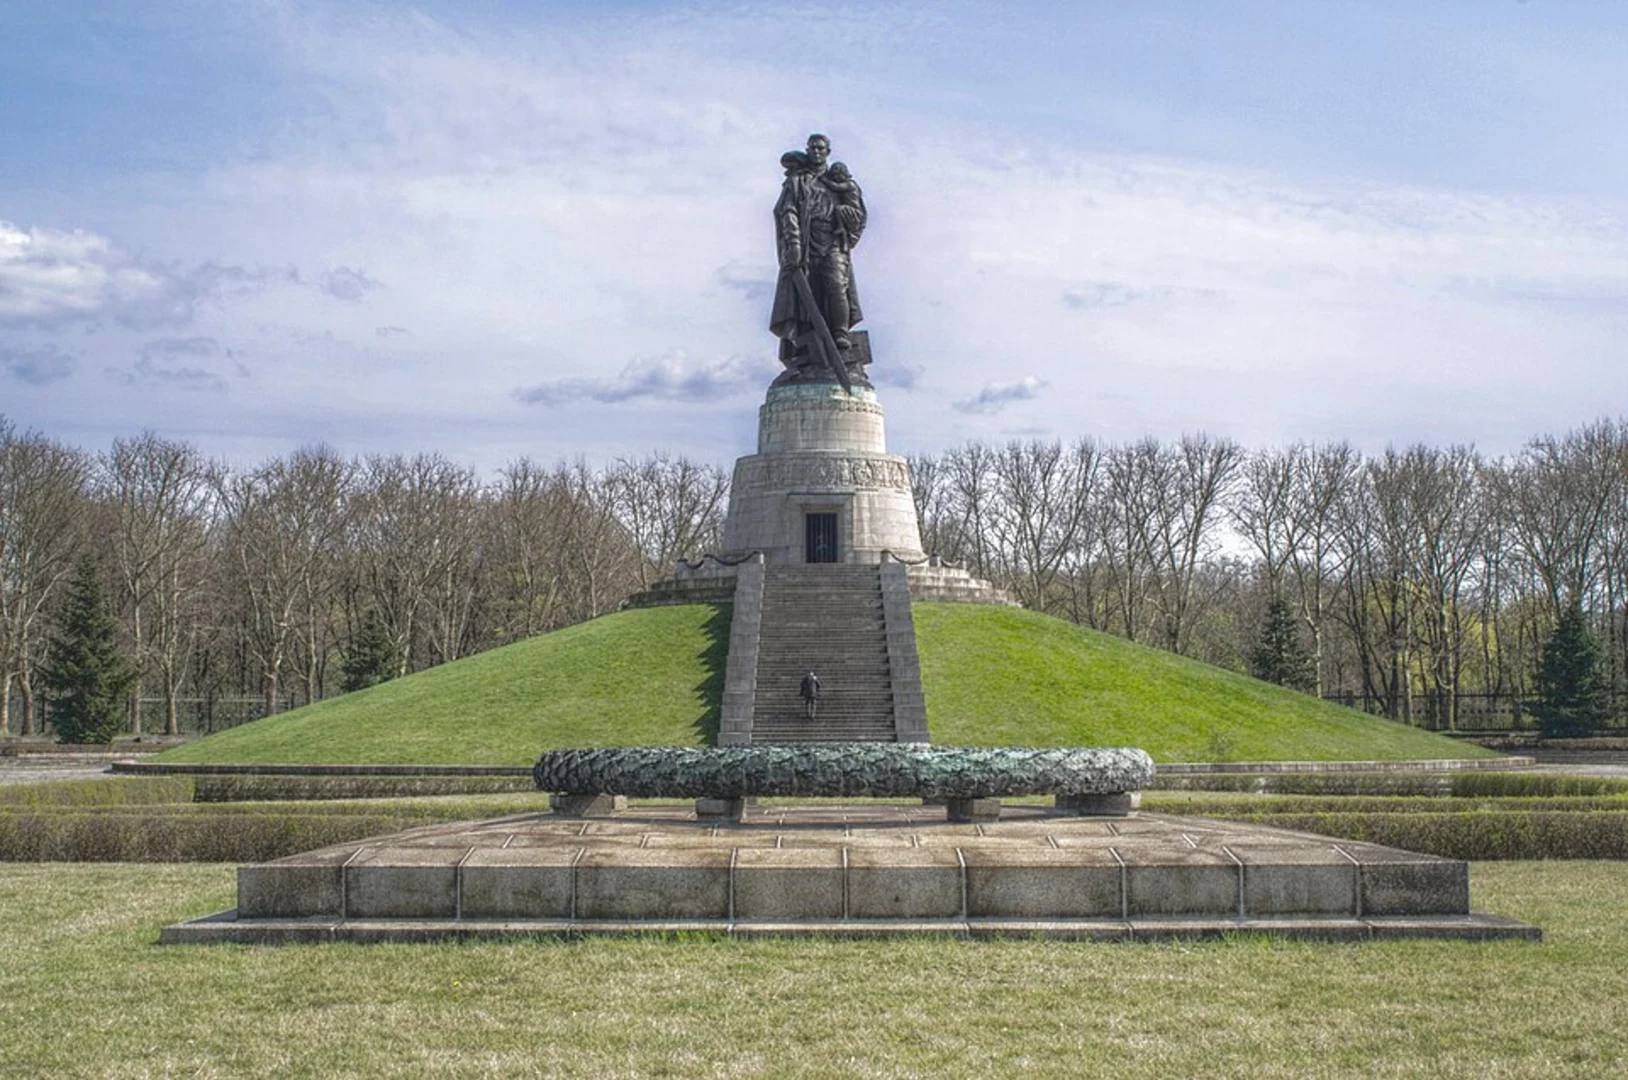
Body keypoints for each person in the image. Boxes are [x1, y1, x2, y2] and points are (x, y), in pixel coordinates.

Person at [770, 133, 866, 368]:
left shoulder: (840, 180)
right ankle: (806, 343)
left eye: (821, 148)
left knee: (836, 285)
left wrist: (848, 217)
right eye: (812, 148)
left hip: (833, 241)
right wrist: (793, 243)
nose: (816, 152)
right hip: (804, 243)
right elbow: (787, 210)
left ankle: (840, 333)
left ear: (828, 152)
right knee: (807, 295)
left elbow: (858, 214)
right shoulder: (798, 181)